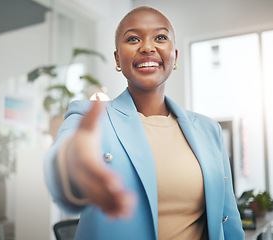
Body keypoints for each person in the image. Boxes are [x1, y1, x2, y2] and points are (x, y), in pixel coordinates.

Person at [44, 6, 244, 240]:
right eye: (133, 39)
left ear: (175, 56)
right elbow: (64, 170)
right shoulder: (90, 117)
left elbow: (229, 220)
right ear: (118, 58)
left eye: (160, 37)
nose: (148, 47)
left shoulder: (209, 130)